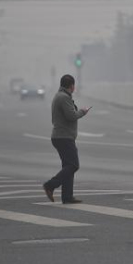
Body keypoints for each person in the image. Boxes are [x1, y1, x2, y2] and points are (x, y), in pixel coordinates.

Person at [43, 74, 91, 204]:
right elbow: (71, 115)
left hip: (62, 136)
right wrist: (82, 112)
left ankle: (67, 196)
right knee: (73, 165)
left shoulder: (60, 96)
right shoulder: (63, 98)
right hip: (63, 137)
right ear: (72, 86)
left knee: (68, 165)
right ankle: (50, 185)